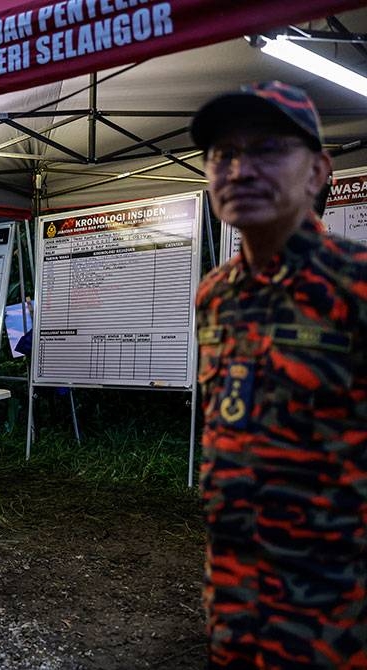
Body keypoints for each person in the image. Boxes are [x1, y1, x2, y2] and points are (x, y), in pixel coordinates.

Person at [191, 81, 367, 667]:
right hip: (237, 608)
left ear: (318, 172)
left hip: (338, 618)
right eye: (223, 154)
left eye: (266, 150)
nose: (239, 170)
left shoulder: (356, 286)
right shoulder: (215, 296)